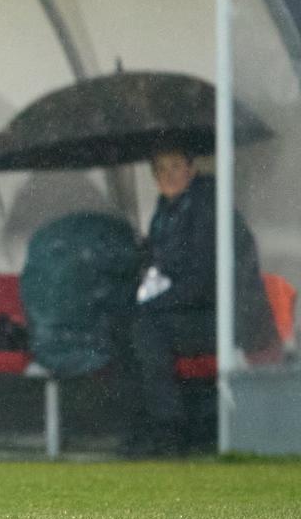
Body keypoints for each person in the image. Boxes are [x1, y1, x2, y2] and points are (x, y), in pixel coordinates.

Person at [115, 144, 277, 456]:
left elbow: (203, 280)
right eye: (160, 169)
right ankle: (141, 424)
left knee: (148, 331)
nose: (167, 175)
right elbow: (159, 268)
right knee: (123, 327)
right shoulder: (165, 213)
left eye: (174, 166)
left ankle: (169, 430)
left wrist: (152, 304)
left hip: (228, 317)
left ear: (191, 169)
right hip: (189, 311)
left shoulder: (208, 209)